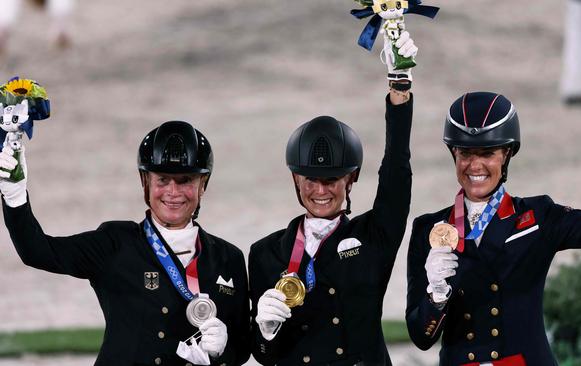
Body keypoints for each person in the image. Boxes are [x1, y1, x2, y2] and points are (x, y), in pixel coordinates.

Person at [405, 91, 581, 366]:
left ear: (506, 153)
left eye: (487, 153)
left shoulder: (538, 216)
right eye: (465, 153)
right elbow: (420, 337)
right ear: (454, 153)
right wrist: (436, 295)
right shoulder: (429, 229)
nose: (475, 166)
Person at [0, 120, 250, 366]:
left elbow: (240, 349)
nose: (173, 192)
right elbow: (39, 252)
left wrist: (221, 352)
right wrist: (15, 197)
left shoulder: (229, 258)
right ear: (146, 182)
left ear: (202, 185)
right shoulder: (115, 242)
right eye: (162, 179)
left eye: (185, 180)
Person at [247, 30, 417, 365]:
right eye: (311, 180)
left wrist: (400, 89)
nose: (321, 191)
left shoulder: (375, 236)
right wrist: (265, 331)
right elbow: (265, 356)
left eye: (331, 180)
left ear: (350, 179)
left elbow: (397, 169)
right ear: (296, 179)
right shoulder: (264, 254)